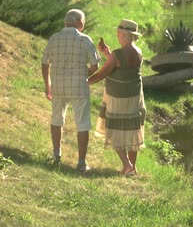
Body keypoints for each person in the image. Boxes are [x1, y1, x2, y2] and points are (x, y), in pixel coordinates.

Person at [42, 9, 101, 172]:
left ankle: (56, 154)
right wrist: (85, 75)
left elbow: (44, 63)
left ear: (65, 22)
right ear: (80, 23)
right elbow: (95, 65)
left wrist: (48, 86)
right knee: (82, 123)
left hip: (58, 86)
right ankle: (81, 162)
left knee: (56, 119)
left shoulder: (54, 39)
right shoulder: (85, 40)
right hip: (78, 87)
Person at [88, 19, 146, 176]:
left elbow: (101, 74)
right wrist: (108, 53)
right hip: (134, 96)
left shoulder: (118, 54)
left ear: (124, 35)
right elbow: (122, 66)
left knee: (115, 130)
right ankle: (132, 167)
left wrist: (83, 82)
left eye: (118, 33)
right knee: (132, 130)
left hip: (118, 97)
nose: (117, 35)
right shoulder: (138, 51)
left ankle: (126, 165)